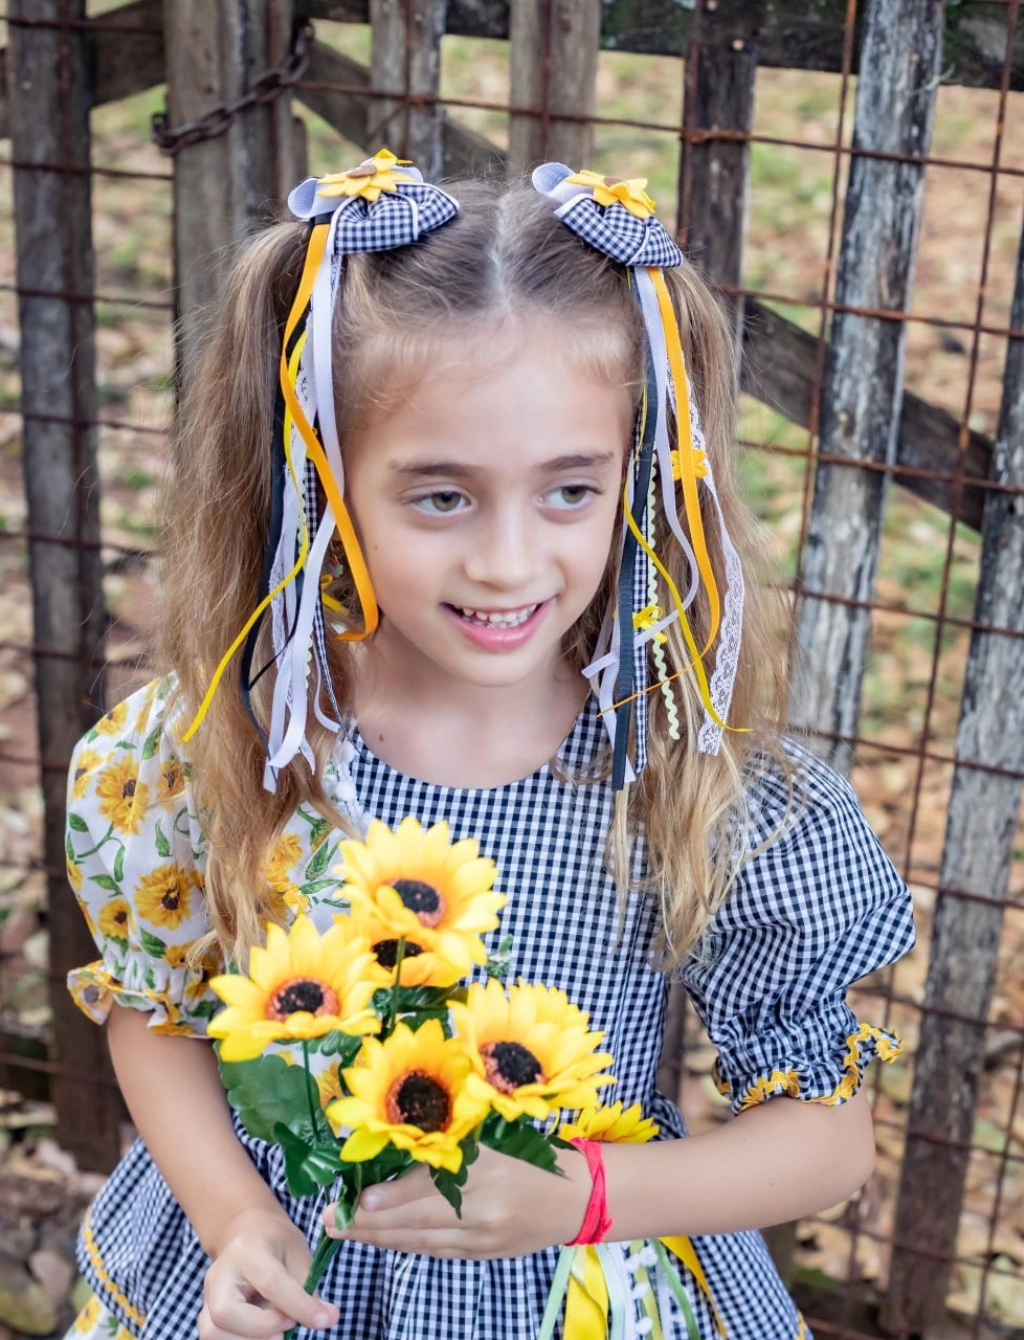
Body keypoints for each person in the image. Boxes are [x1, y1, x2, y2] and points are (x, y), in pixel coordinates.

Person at [63, 151, 916, 1340]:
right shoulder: (222, 748)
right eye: (442, 496)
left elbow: (826, 1139)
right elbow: (156, 1010)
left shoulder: (694, 785)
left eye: (569, 491)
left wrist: (581, 1196)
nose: (509, 563)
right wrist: (236, 1215)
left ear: (636, 477)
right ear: (323, 482)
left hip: (578, 1291)